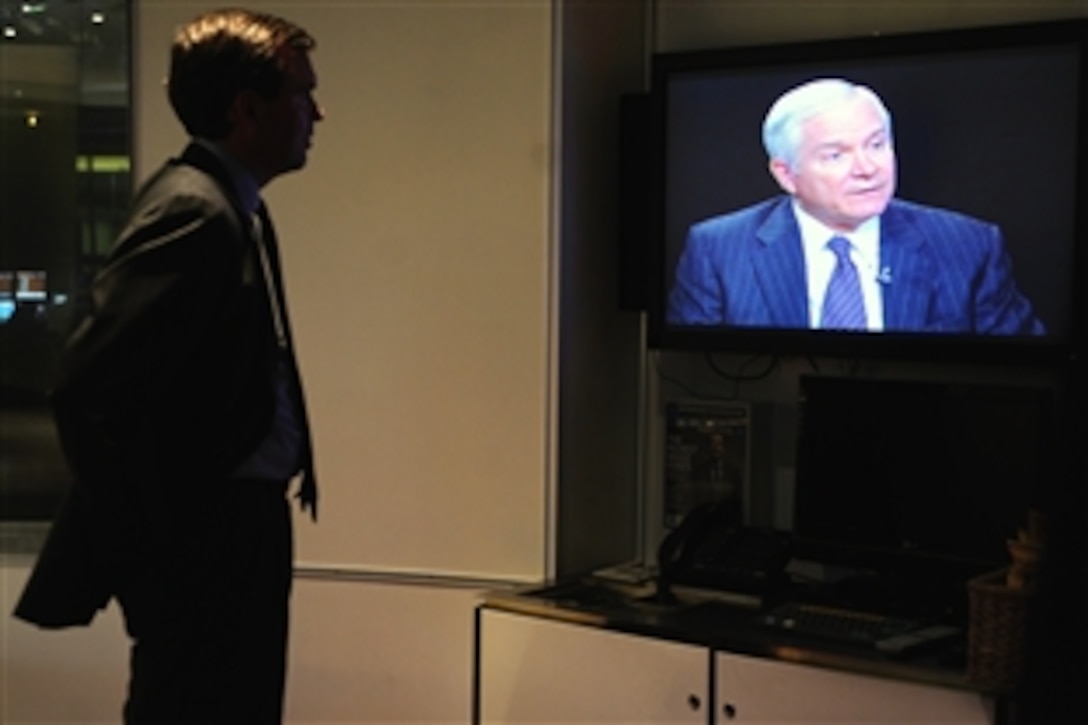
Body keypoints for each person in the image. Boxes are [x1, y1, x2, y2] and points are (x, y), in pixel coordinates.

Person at [13, 8, 324, 723]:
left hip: (231, 534)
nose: (318, 112)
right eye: (302, 94)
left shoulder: (226, 206)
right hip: (206, 546)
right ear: (247, 109)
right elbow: (87, 388)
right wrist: (157, 546)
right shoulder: (196, 211)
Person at [666, 78, 1045, 335]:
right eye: (835, 155)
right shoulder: (718, 249)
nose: (867, 169)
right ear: (786, 174)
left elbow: (1025, 369)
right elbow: (693, 371)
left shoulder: (969, 246)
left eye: (877, 145)